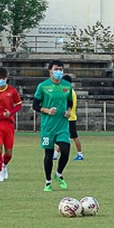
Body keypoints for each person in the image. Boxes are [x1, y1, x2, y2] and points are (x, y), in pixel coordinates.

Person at [32, 60, 73, 192]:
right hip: (48, 127)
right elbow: (35, 105)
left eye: (60, 69)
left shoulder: (67, 86)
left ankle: (59, 174)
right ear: (50, 71)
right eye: (56, 69)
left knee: (65, 151)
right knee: (48, 154)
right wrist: (47, 110)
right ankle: (48, 181)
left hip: (62, 125)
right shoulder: (43, 86)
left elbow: (70, 102)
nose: (58, 72)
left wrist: (68, 111)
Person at [53, 75, 84, 161]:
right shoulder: (70, 91)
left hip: (69, 118)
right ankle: (55, 154)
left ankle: (80, 154)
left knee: (73, 136)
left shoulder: (69, 92)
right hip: (69, 118)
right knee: (62, 136)